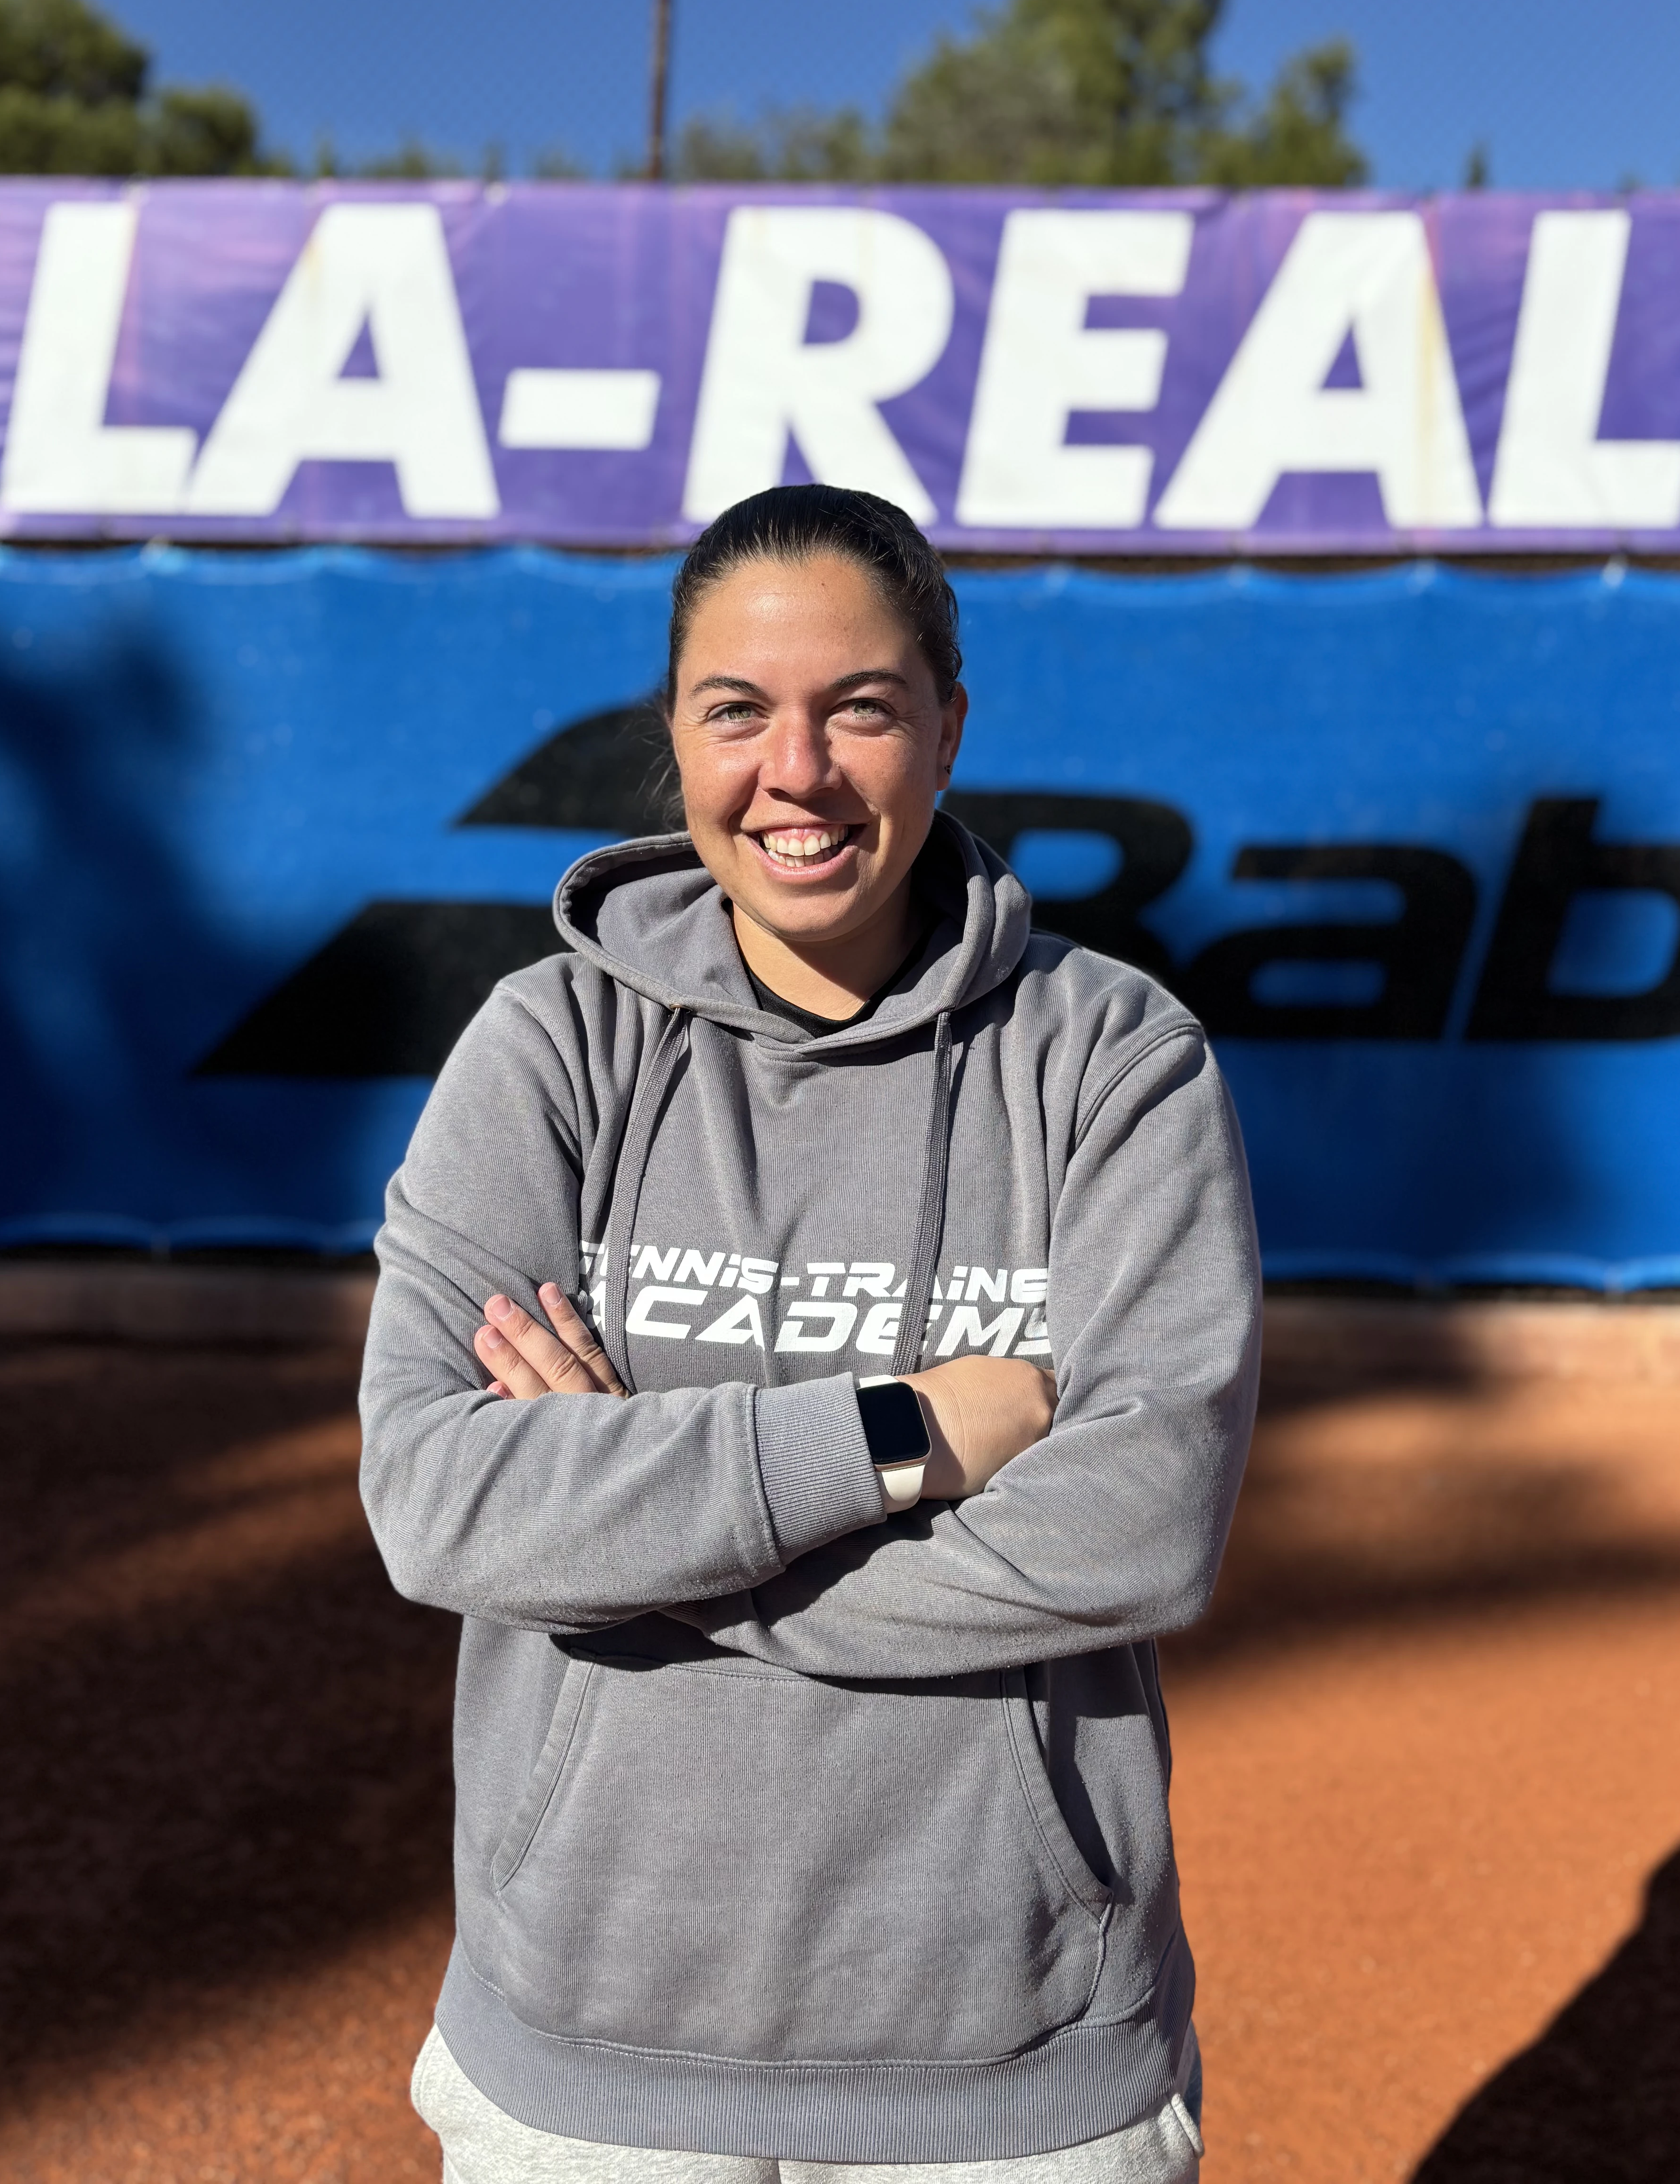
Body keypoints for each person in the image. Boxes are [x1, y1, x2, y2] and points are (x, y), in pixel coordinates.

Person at [359, 485, 1261, 2184]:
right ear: (676, 736)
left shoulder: (1113, 1059)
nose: (799, 773)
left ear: (946, 728)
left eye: (860, 707)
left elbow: (1139, 1526)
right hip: (588, 2077)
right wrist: (893, 1433)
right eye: (737, 712)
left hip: (1008, 2081)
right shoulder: (548, 1046)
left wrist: (631, 1524)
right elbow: (438, 1500)